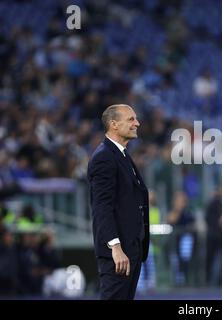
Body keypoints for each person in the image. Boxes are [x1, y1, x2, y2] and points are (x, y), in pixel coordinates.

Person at [87, 104, 150, 300]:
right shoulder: (104, 157)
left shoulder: (121, 155)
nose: (137, 123)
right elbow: (101, 207)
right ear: (114, 124)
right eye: (131, 119)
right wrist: (115, 246)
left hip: (131, 248)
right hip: (118, 252)